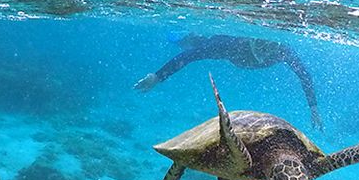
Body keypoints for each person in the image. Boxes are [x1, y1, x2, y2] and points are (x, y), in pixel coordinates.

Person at [135, 33, 324, 129]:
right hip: (220, 42)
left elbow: (304, 75)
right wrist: (158, 76)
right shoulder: (232, 45)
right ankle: (181, 35)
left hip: (235, 54)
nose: (265, 50)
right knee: (197, 44)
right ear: (252, 39)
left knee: (200, 46)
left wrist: (313, 107)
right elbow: (191, 56)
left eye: (271, 46)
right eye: (261, 43)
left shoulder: (283, 50)